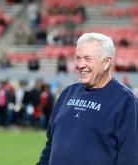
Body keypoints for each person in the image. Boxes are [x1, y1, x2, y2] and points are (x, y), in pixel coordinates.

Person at [36, 32, 138, 165]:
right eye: (78, 58)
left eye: (87, 59)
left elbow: (130, 155)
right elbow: (50, 144)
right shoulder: (67, 93)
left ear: (107, 62)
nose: (80, 65)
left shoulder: (125, 100)